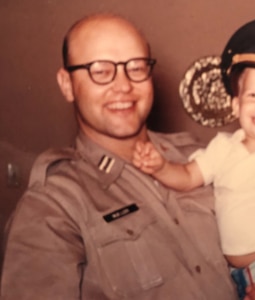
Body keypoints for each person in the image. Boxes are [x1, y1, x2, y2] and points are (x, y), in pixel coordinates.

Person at [0, 13, 240, 300]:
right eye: (100, 71)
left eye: (136, 67)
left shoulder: (199, 157)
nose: (124, 85)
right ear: (67, 84)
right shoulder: (53, 206)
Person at [132, 18, 255, 300]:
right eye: (253, 95)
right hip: (228, 273)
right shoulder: (223, 148)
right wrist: (161, 167)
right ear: (236, 105)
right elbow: (189, 176)